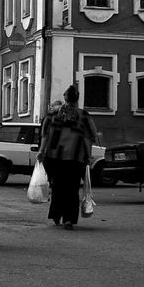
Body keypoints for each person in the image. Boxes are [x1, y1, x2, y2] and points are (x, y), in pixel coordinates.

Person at [36, 85, 97, 230]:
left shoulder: (52, 114)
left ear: (64, 97)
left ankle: (56, 215)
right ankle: (69, 219)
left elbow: (45, 135)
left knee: (57, 186)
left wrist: (41, 151)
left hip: (53, 157)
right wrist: (88, 155)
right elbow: (89, 138)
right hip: (75, 158)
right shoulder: (83, 115)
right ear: (78, 98)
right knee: (72, 188)